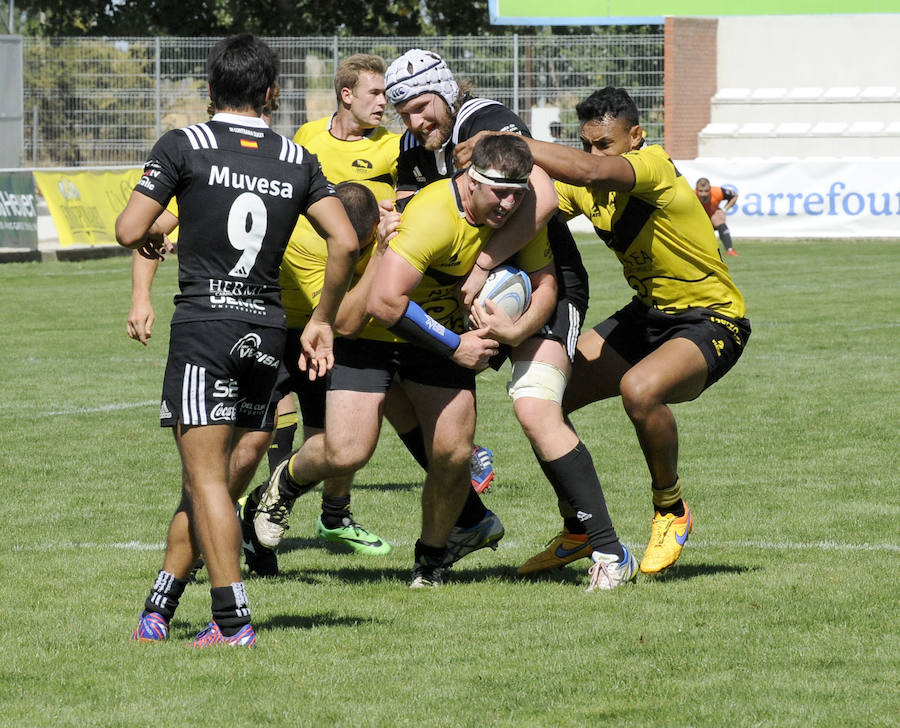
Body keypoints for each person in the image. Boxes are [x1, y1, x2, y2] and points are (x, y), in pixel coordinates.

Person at [116, 34, 357, 647]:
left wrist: (158, 227)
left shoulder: (184, 144)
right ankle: (159, 609)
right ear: (271, 92)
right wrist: (323, 317)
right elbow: (346, 241)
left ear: (209, 89)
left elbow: (129, 229)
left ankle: (231, 622)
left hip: (205, 327)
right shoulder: (295, 156)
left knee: (206, 483)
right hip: (266, 330)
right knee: (209, 483)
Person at [461, 87, 751, 576]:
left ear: (635, 137)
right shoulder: (589, 186)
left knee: (639, 390)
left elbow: (589, 170)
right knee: (544, 399)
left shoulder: (653, 166)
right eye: (587, 143)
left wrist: (503, 140)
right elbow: (533, 206)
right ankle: (578, 528)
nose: (595, 153)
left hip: (712, 317)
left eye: (606, 143)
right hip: (648, 315)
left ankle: (671, 510)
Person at [385, 49, 636, 590]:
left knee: (534, 405)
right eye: (403, 112)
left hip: (545, 283)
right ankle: (470, 521)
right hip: (466, 294)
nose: (414, 121)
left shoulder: (485, 121)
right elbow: (409, 210)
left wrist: (481, 264)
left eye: (422, 106)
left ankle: (610, 552)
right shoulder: (412, 146)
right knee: (397, 389)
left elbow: (540, 197)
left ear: (446, 91)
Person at [254, 134, 538, 589]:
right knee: (347, 450)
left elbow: (545, 274)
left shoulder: (522, 207)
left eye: (516, 194)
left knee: (454, 452)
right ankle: (278, 489)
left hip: (430, 334)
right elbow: (371, 311)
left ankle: (431, 561)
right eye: (498, 193)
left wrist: (511, 331)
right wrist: (456, 346)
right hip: (372, 336)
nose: (507, 204)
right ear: (469, 181)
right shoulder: (430, 218)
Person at [247, 53, 497, 568]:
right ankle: (267, 501)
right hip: (328, 316)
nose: (389, 107)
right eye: (378, 95)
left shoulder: (400, 148)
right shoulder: (308, 159)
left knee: (424, 438)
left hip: (397, 312)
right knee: (326, 442)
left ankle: (423, 545)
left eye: (395, 98)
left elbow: (437, 191)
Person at [695, 177, 739, 256]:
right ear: (696, 190)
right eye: (700, 191)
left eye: (706, 191)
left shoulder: (717, 192)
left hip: (712, 217)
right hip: (698, 220)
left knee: (718, 218)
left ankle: (730, 250)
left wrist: (724, 210)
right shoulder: (691, 195)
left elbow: (735, 195)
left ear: (710, 188)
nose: (703, 194)